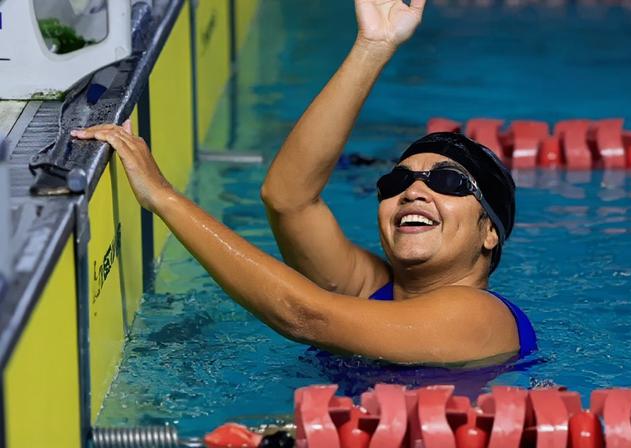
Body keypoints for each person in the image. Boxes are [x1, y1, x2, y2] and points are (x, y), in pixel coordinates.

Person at [72, 0, 536, 365]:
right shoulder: (371, 289)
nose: (413, 191)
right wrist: (371, 47)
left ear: (490, 231)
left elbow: (305, 315)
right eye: (397, 181)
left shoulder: (479, 316)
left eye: (448, 182)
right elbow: (289, 199)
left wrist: (166, 199)